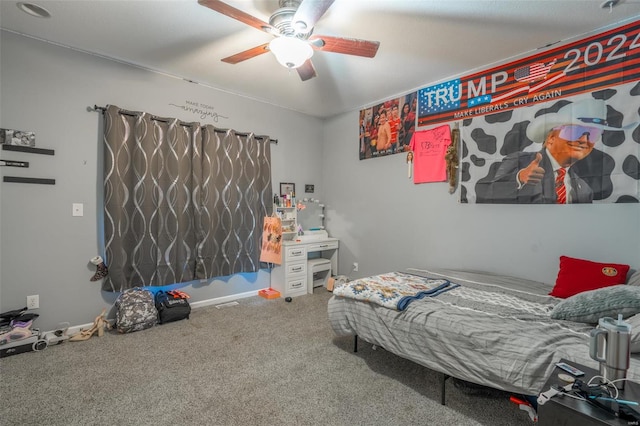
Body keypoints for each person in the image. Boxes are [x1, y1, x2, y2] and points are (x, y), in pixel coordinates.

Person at [475, 98, 623, 204]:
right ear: (550, 138)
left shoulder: (584, 189)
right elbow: (484, 192)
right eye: (575, 131)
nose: (584, 140)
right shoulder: (519, 161)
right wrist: (519, 179)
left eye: (594, 134)